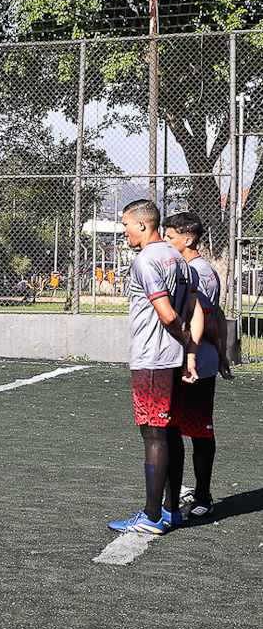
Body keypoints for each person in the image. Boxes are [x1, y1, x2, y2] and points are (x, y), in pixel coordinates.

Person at [108, 199, 203, 535]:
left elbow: (167, 314)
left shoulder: (147, 260)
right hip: (173, 360)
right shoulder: (179, 258)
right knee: (171, 431)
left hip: (152, 359)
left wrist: (185, 340)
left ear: (143, 225)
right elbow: (194, 309)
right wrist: (189, 349)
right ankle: (171, 510)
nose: (125, 231)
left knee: (153, 432)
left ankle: (150, 517)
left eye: (126, 224)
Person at [164, 211, 233, 520]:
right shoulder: (185, 267)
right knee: (175, 427)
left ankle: (203, 495)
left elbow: (207, 318)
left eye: (170, 237)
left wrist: (218, 352)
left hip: (197, 364)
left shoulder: (198, 270)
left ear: (187, 239)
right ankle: (184, 489)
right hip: (184, 362)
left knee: (200, 430)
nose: (165, 242)